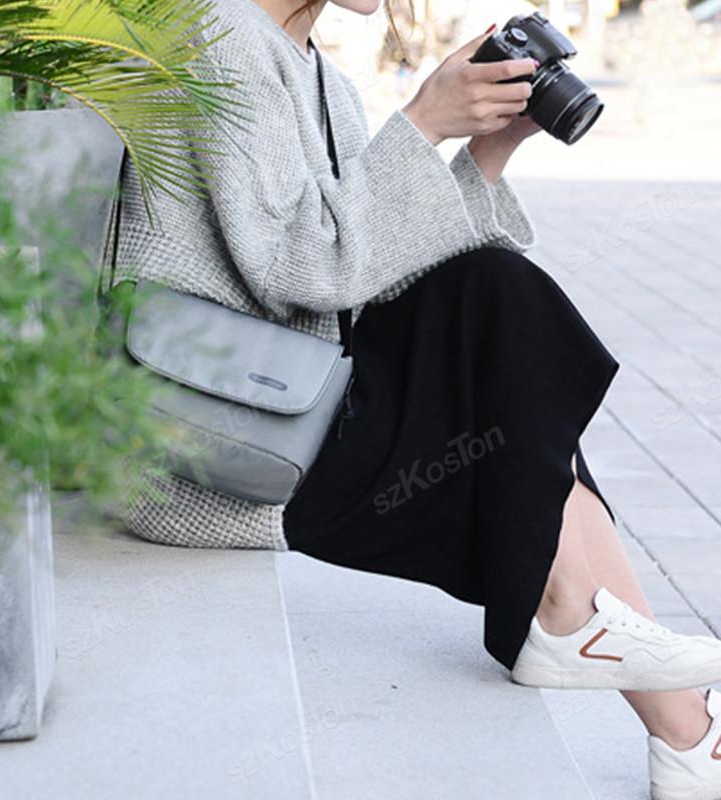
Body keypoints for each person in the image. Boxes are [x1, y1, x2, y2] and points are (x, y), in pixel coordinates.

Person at [115, 1, 721, 797]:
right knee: (498, 328)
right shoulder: (216, 36)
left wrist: (488, 150)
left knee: (497, 319)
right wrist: (423, 121)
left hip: (298, 403)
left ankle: (660, 706)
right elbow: (302, 268)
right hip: (218, 443)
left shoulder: (323, 77)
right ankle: (653, 700)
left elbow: (370, 273)